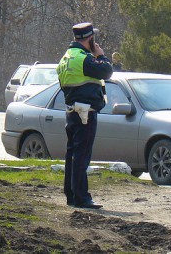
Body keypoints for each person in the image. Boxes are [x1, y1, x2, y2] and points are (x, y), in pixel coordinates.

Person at [57, 22, 113, 209]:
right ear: (90, 39)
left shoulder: (65, 59)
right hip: (85, 113)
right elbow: (107, 71)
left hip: (72, 111)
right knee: (82, 155)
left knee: (72, 154)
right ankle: (82, 197)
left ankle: (72, 195)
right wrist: (101, 56)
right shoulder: (84, 59)